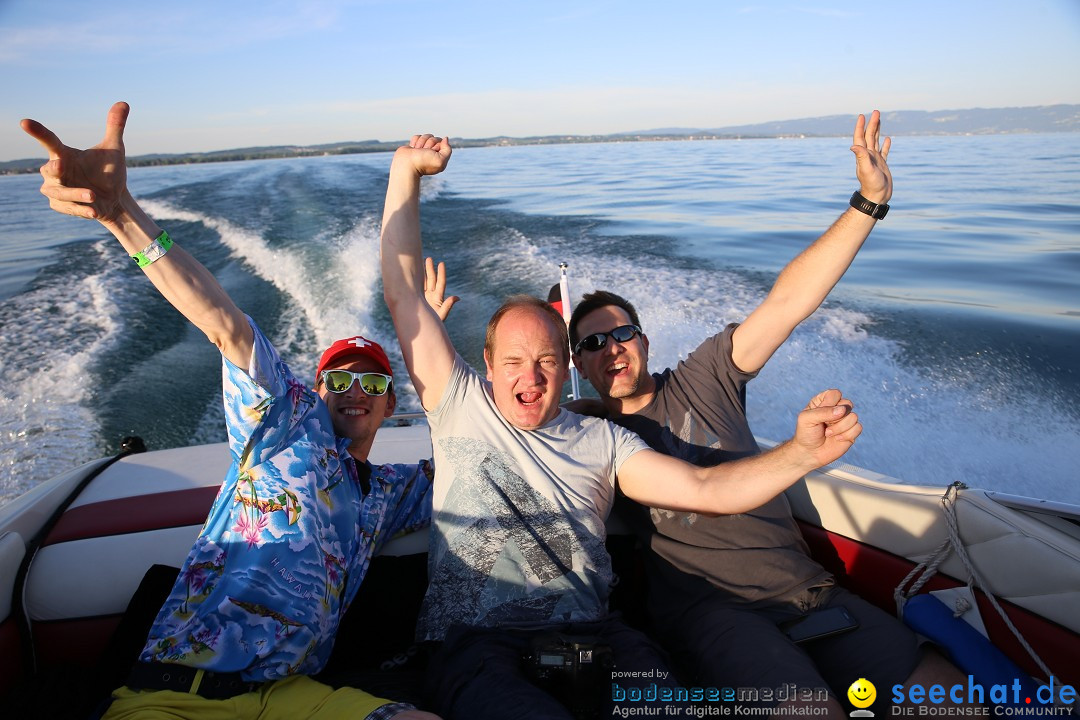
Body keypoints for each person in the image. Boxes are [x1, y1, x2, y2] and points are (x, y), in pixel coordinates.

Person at [379, 133, 864, 720]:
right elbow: (405, 295)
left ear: (567, 370)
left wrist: (803, 454)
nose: (529, 377)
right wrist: (406, 172)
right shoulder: (457, 403)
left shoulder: (605, 440)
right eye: (512, 362)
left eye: (546, 361)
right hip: (477, 643)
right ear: (486, 367)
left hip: (597, 634)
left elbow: (705, 490)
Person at [20, 102, 442, 720]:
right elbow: (222, 321)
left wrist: (430, 337)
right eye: (337, 378)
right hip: (175, 692)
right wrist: (122, 216)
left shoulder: (390, 493)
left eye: (371, 379)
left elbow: (472, 442)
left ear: (390, 403)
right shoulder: (285, 426)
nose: (353, 388)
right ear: (315, 391)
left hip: (290, 696)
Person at [567, 111, 964, 713]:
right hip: (713, 614)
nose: (610, 349)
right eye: (591, 344)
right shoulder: (584, 430)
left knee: (946, 697)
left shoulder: (707, 375)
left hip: (811, 592)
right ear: (579, 364)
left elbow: (787, 302)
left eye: (621, 333)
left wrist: (869, 202)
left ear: (644, 341)